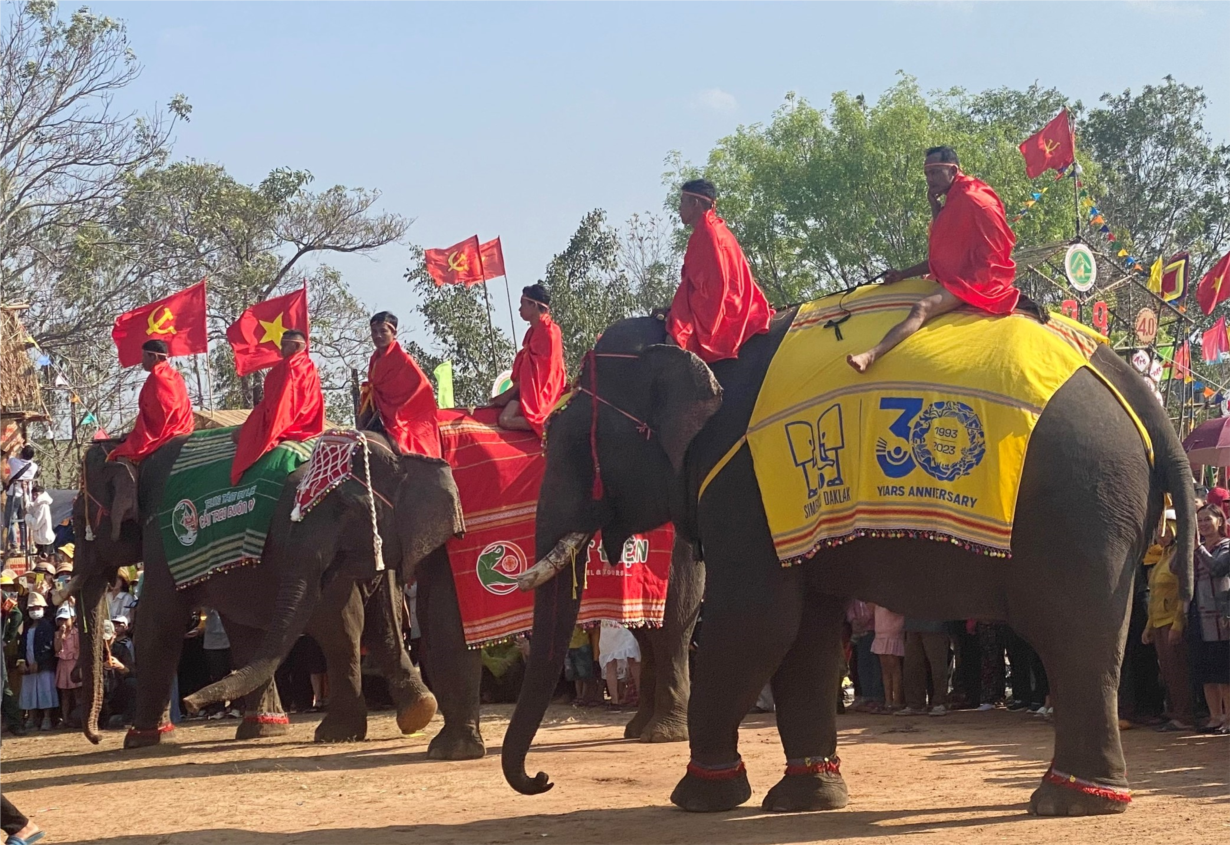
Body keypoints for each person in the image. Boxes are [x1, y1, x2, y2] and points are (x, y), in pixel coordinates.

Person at [848, 146, 1022, 373]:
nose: (929, 180)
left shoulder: (972, 198)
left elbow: (996, 246)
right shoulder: (956, 197)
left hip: (980, 278)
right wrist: (902, 273)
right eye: (927, 174)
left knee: (921, 308)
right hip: (961, 272)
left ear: (952, 170)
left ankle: (871, 355)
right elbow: (943, 252)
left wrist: (975, 274)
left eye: (935, 172)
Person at [664, 178, 773, 363]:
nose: (679, 208)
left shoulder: (708, 233)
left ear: (695, 203)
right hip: (732, 298)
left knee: (674, 341)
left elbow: (713, 289)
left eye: (682, 202)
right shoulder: (714, 229)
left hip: (726, 307)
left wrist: (680, 312)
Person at [231, 329, 325, 484]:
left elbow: (285, 406)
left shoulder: (292, 367)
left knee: (239, 437)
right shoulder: (306, 365)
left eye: (284, 346)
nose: (281, 350)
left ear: (296, 346)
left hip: (291, 422)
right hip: (301, 418)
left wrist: (268, 429)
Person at [357, 312, 441, 458]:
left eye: (383, 331)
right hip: (378, 409)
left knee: (398, 446)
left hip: (399, 416)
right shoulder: (374, 358)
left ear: (393, 333)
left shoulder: (403, 359)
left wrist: (396, 410)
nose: (378, 336)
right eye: (374, 332)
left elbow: (423, 387)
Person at [492, 284, 566, 436]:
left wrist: (507, 394)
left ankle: (548, 426)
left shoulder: (550, 332)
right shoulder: (532, 332)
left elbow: (542, 374)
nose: (519, 309)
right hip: (527, 389)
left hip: (544, 392)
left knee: (505, 419)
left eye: (522, 304)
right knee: (499, 416)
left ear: (534, 305)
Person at [1145, 510, 1195, 732]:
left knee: (1178, 670)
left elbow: (1183, 593)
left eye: (1166, 530)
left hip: (1172, 620)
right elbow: (1154, 593)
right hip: (1158, 621)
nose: (1161, 535)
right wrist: (1148, 626)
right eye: (1159, 531)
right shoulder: (1163, 556)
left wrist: (1178, 623)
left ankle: (1185, 715)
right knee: (1166, 671)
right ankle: (1174, 712)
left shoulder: (1179, 556)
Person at [108, 339, 194, 465]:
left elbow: (156, 416)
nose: (142, 361)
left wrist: (136, 435)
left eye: (144, 356)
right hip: (185, 427)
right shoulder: (174, 375)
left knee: (119, 455)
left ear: (153, 357)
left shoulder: (158, 378)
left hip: (165, 432)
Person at [1191, 504, 1230, 733]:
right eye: (1200, 521)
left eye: (1208, 519)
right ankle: (1215, 716)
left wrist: (1198, 549)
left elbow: (1217, 568)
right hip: (1199, 615)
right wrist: (1187, 545)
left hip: (1221, 617)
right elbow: (1177, 569)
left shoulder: (1226, 546)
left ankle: (1228, 718)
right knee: (1206, 670)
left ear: (1219, 521)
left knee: (1224, 671)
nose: (1203, 524)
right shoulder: (1197, 548)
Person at [17, 592, 57, 731]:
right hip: (28, 665)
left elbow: (48, 647)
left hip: (44, 665)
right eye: (32, 608)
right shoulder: (27, 627)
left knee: (45, 691)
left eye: (38, 608)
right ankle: (31, 718)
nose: (35, 611)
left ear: (44, 609)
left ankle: (46, 718)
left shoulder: (47, 626)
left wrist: (39, 662)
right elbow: (22, 646)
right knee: (29, 692)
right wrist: (22, 661)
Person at [900, 618, 950, 716]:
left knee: (937, 664)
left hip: (935, 624)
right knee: (912, 664)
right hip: (912, 624)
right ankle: (915, 704)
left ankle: (939, 702)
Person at [869, 603, 905, 712]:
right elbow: (869, 611)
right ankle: (888, 701)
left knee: (894, 668)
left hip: (893, 631)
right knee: (885, 669)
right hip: (880, 632)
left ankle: (897, 701)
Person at [597, 621, 641, 709]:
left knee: (611, 663)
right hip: (625, 621)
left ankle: (615, 702)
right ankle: (640, 698)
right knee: (633, 660)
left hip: (609, 624)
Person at [4, 445, 38, 553]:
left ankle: (14, 545)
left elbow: (8, 455)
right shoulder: (34, 466)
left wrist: (15, 446)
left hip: (14, 495)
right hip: (26, 497)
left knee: (9, 521)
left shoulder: (14, 462)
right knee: (23, 521)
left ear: (22, 454)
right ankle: (24, 546)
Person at [54, 604, 80, 729]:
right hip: (63, 665)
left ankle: (79, 718)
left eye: (65, 619)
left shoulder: (77, 633)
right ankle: (65, 718)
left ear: (73, 619)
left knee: (77, 693)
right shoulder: (57, 634)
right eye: (60, 619)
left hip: (74, 664)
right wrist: (60, 636)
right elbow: (57, 649)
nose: (63, 622)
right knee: (65, 694)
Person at [24, 486, 54, 559]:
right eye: (33, 494)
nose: (34, 497)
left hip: (44, 541)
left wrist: (27, 516)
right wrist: (25, 492)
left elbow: (36, 524)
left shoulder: (43, 506)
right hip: (41, 540)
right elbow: (30, 507)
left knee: (44, 563)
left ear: (41, 494)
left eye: (36, 494)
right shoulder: (39, 505)